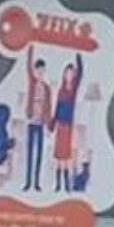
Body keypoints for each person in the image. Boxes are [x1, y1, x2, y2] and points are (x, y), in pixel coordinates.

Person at [53, 54, 83, 193]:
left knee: (66, 156)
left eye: (71, 73)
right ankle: (58, 184)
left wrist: (78, 56)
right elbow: (57, 108)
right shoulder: (61, 90)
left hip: (68, 125)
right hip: (60, 125)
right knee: (59, 156)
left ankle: (65, 185)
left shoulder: (73, 90)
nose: (69, 75)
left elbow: (80, 73)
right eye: (67, 73)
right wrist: (53, 123)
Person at [24, 48, 51, 192]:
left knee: (39, 152)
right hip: (31, 121)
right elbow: (28, 67)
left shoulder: (46, 88)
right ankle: (28, 182)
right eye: (38, 70)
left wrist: (48, 124)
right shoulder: (32, 83)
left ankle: (36, 182)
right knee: (30, 152)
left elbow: (49, 106)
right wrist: (31, 49)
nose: (40, 73)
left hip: (40, 122)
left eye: (42, 71)